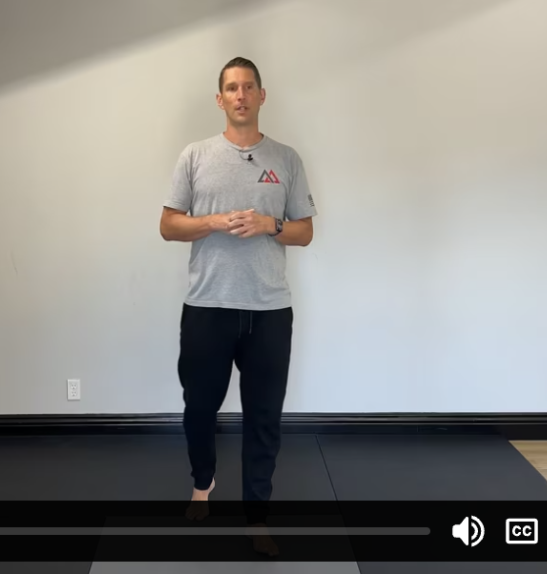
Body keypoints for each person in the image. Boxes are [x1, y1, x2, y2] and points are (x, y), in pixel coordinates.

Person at [159, 57, 317, 555]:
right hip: (207, 307)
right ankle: (202, 482)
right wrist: (214, 221)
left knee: (264, 418)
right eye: (232, 88)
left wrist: (270, 225)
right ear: (220, 99)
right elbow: (168, 225)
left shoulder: (286, 159)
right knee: (198, 411)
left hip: (269, 311)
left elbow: (305, 232)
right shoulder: (195, 155)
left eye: (248, 87)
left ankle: (256, 516)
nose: (241, 95)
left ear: (261, 96)